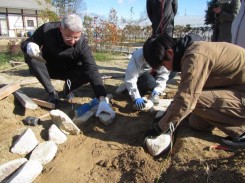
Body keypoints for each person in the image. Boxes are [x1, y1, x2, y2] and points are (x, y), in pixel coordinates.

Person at [142, 34, 245, 156]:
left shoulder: (195, 56)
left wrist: (159, 127)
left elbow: (186, 100)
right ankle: (229, 118)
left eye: (164, 65)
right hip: (235, 89)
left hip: (241, 94)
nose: (167, 69)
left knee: (193, 101)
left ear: (169, 53)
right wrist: (170, 115)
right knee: (196, 123)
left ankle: (241, 133)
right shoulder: (190, 52)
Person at [21, 14, 115, 118]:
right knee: (31, 57)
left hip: (69, 70)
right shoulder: (47, 30)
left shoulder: (82, 43)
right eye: (68, 37)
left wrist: (102, 98)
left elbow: (91, 68)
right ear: (61, 29)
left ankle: (68, 88)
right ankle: (52, 93)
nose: (72, 41)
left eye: (76, 37)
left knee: (87, 72)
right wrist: (29, 45)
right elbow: (26, 42)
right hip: (48, 67)